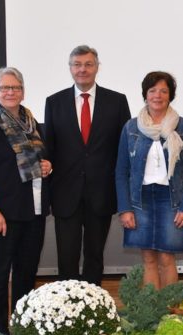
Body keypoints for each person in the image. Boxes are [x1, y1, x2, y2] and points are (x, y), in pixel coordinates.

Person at [0, 67, 52, 335]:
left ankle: (21, 331)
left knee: (26, 276)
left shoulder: (32, 123)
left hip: (32, 211)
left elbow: (35, 161)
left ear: (23, 91)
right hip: (0, 215)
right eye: (4, 87)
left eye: (15, 87)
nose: (10, 92)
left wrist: (47, 165)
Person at [44, 45, 130, 285]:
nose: (83, 69)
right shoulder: (54, 102)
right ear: (70, 68)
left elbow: (124, 151)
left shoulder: (117, 101)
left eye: (88, 64)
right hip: (64, 193)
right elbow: (48, 148)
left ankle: (94, 308)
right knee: (67, 256)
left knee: (94, 255)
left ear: (97, 67)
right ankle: (66, 308)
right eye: (77, 64)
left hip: (101, 193)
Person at [115, 71, 183, 289]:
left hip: (172, 200)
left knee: (166, 258)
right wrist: (125, 208)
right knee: (149, 258)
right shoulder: (131, 127)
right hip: (140, 200)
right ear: (145, 94)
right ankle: (153, 311)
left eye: (164, 91)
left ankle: (170, 312)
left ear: (170, 95)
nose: (158, 95)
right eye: (153, 90)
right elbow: (121, 171)